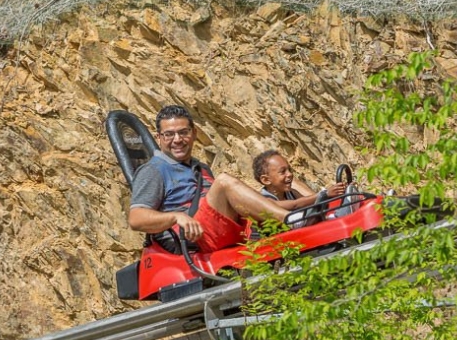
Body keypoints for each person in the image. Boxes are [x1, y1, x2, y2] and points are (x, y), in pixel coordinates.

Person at [128, 105, 292, 252]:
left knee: (285, 176)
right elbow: (136, 218)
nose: (177, 139)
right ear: (159, 138)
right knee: (224, 182)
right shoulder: (153, 170)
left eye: (183, 132)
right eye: (169, 134)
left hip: (223, 228)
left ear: (194, 134)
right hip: (193, 238)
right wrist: (176, 217)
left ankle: (300, 213)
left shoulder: (201, 168)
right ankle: (290, 220)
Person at [252, 149, 346, 210]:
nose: (289, 174)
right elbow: (295, 204)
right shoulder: (266, 201)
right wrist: (325, 193)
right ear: (266, 180)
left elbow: (308, 202)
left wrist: (336, 191)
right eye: (283, 171)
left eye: (289, 169)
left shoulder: (292, 193)